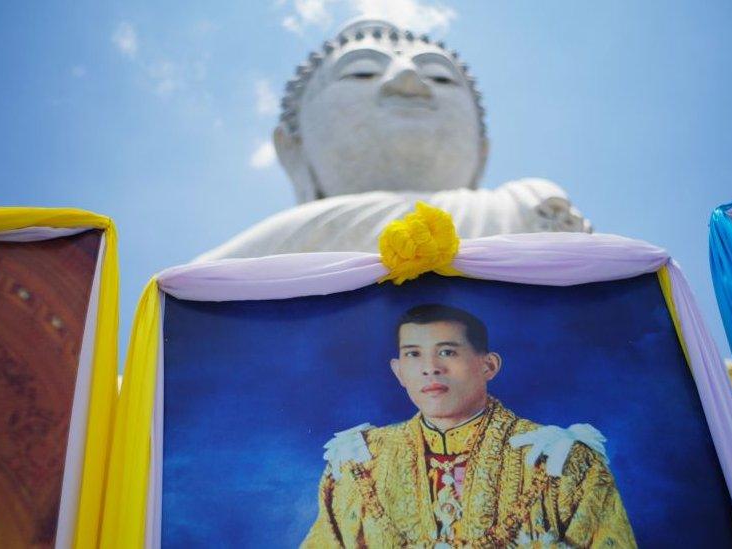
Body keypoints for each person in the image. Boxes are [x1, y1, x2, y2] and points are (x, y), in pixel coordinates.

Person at [196, 19, 590, 261]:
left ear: (482, 153)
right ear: (293, 150)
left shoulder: (527, 208)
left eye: (440, 77)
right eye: (362, 73)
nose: (407, 78)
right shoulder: (259, 257)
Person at [303, 304, 635, 548]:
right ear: (399, 371)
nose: (430, 369)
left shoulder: (562, 460)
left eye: (447, 352)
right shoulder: (358, 461)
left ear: (488, 365)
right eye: (414, 355)